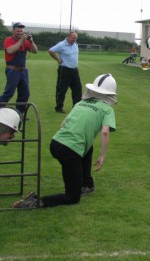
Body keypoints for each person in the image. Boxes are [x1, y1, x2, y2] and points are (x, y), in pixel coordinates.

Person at [12, 74, 117, 209]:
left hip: (56, 143)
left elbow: (63, 123)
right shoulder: (107, 109)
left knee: (88, 147)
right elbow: (104, 132)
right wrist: (102, 156)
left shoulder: (81, 103)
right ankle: (36, 201)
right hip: (70, 151)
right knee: (73, 197)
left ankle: (87, 184)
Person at [0, 22, 38, 114]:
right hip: (12, 70)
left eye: (21, 31)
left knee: (25, 93)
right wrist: (21, 41)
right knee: (9, 93)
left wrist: (31, 41)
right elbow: (9, 51)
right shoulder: (9, 40)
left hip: (23, 71)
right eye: (18, 31)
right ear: (13, 31)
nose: (20, 33)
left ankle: (20, 112)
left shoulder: (26, 41)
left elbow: (35, 51)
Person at [48, 31, 82, 113]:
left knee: (78, 89)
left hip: (74, 70)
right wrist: (58, 60)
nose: (75, 40)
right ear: (69, 37)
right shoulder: (61, 45)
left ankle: (76, 106)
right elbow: (51, 51)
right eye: (74, 38)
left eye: (76, 38)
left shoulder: (75, 44)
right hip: (65, 70)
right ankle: (59, 107)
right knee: (61, 89)